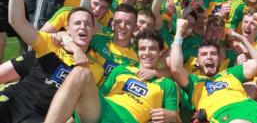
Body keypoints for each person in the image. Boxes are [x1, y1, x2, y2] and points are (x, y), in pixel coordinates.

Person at [1, 0, 103, 123]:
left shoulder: (94, 69)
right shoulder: (50, 43)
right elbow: (18, 22)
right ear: (68, 29)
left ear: (93, 31)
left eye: (88, 24)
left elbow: (80, 110)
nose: (83, 26)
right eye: (77, 23)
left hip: (41, 117)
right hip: (13, 101)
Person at [44, 30, 180, 123]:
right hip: (102, 109)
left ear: (161, 52)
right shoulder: (121, 70)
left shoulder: (167, 84)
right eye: (142, 49)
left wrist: (173, 116)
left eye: (152, 49)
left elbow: (176, 118)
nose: (147, 53)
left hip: (126, 119)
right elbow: (99, 96)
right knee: (81, 72)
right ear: (137, 51)